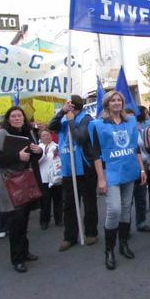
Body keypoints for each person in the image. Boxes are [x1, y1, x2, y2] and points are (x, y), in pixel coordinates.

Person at [90, 90, 147, 270]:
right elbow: (96, 154)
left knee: (125, 208)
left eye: (119, 100)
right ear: (107, 104)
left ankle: (123, 244)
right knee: (113, 209)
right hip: (111, 172)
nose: (116, 103)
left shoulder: (130, 122)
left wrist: (142, 168)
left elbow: (135, 147)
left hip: (130, 170)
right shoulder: (99, 125)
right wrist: (101, 178)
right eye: (113, 100)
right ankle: (109, 250)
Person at [0, 106, 43, 273]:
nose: (17, 118)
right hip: (11, 182)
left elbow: (34, 156)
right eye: (13, 116)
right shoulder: (2, 133)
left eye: (19, 115)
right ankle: (17, 259)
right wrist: (17, 156)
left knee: (24, 218)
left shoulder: (29, 132)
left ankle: (24, 252)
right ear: (8, 118)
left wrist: (38, 150)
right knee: (16, 221)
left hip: (27, 180)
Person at [48, 94, 98, 251]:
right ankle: (69, 236)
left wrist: (70, 120)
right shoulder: (63, 119)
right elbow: (51, 126)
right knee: (68, 205)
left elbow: (79, 138)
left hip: (85, 168)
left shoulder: (87, 119)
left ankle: (90, 232)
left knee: (89, 202)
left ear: (74, 107)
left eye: (68, 104)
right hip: (68, 170)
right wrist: (61, 113)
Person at [38, 128, 63, 230]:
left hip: (56, 178)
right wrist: (43, 154)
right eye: (43, 135)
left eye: (48, 135)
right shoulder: (38, 148)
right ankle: (44, 221)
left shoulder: (57, 146)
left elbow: (61, 160)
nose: (46, 137)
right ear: (40, 138)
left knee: (58, 200)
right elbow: (36, 162)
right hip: (44, 178)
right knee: (45, 201)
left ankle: (59, 219)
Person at [133, 105, 150, 232]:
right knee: (126, 202)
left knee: (141, 198)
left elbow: (143, 150)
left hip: (141, 167)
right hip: (127, 169)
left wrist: (148, 164)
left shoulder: (138, 130)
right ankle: (124, 228)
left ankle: (141, 222)